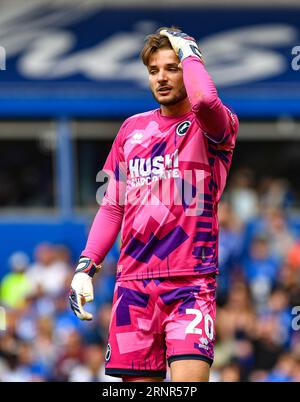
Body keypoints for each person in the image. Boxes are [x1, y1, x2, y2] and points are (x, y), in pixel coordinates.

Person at [69, 27, 239, 382]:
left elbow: (206, 100)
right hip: (133, 286)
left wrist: (188, 49)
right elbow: (112, 205)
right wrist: (86, 267)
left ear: (189, 68)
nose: (161, 78)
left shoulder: (212, 126)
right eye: (153, 70)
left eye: (171, 68)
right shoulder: (131, 129)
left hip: (190, 283)